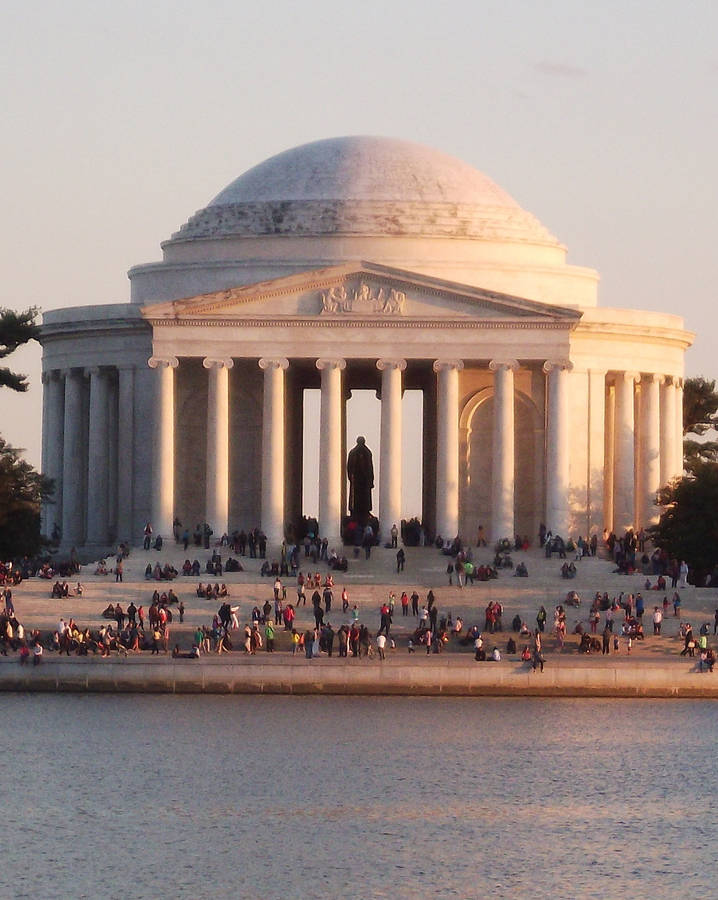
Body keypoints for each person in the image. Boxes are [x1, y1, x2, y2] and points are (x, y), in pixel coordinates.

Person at [347, 437, 374, 521]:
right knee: (362, 497)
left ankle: (356, 511)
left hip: (358, 480)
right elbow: (370, 467)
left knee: (357, 497)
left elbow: (349, 467)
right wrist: (371, 479)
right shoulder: (367, 452)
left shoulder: (353, 452)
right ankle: (363, 511)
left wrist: (351, 476)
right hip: (363, 480)